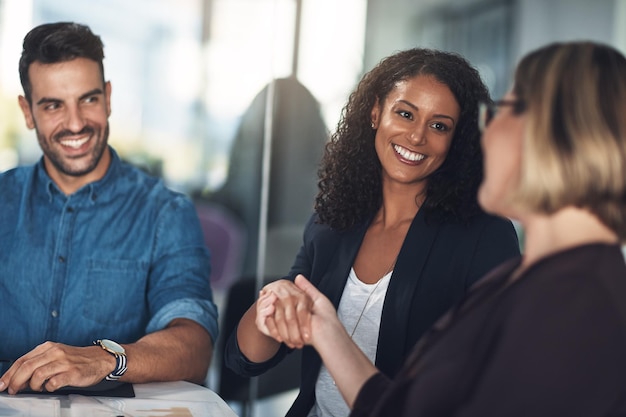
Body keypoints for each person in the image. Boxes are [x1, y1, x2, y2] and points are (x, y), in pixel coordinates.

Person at [259, 41, 626, 417]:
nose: (488, 131)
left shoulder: (577, 302)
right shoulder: (542, 279)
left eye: (507, 111)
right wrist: (325, 328)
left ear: (560, 140)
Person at [224, 48, 520, 417]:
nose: (416, 136)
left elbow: (492, 386)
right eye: (405, 113)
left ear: (457, 140)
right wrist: (273, 300)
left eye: (439, 125)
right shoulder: (333, 221)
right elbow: (245, 360)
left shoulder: (484, 238)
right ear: (376, 112)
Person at [0, 22, 218, 394]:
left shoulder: (166, 213)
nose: (75, 123)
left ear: (109, 97)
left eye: (88, 99)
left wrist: (105, 358)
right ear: (27, 111)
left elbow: (195, 348)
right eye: (53, 105)